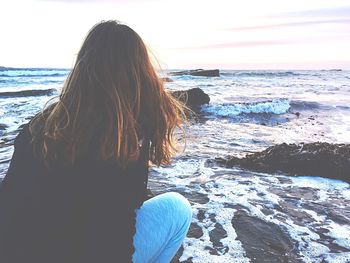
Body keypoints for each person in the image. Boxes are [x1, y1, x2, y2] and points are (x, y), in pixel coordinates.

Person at [0, 20, 192, 263]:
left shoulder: (38, 127)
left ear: (81, 69)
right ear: (140, 74)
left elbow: (8, 208)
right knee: (177, 208)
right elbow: (113, 243)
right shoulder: (123, 139)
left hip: (19, 253)